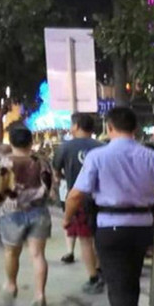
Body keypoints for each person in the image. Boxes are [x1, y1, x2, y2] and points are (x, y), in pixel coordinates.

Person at [64, 107, 154, 306]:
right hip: (143, 226)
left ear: (109, 127)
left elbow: (76, 194)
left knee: (118, 287)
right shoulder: (152, 157)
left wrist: (67, 217)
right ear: (135, 128)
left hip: (111, 227)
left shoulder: (98, 156)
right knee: (130, 282)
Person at [0, 125, 54, 306]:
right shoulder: (43, 162)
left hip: (11, 213)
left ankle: (11, 284)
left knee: (11, 252)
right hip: (39, 212)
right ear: (30, 141)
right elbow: (50, 188)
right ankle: (40, 295)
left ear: (11, 142)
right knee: (38, 255)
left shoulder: (3, 164)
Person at [53, 113, 104, 293]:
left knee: (85, 240)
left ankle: (93, 277)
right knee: (99, 237)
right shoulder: (102, 146)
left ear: (75, 126)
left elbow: (56, 173)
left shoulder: (65, 148)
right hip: (101, 199)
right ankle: (101, 268)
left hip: (78, 199)